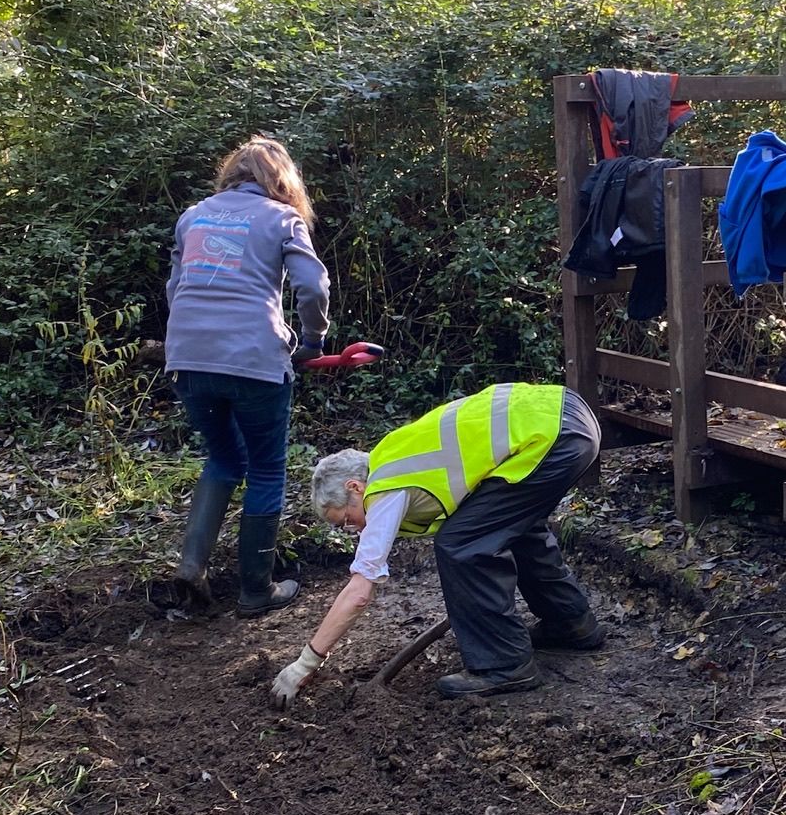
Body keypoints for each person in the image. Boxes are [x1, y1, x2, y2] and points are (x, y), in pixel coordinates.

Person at [269, 382, 603, 705]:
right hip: (568, 416)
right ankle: (570, 623)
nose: (351, 529)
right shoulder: (397, 453)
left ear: (355, 487)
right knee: (509, 527)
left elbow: (359, 593)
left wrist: (305, 663)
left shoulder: (384, 487)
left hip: (551, 437)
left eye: (344, 519)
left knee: (462, 543)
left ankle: (505, 666)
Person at [165, 135, 331, 615]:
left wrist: (198, 340)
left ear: (231, 175)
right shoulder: (283, 218)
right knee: (265, 467)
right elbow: (312, 286)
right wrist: (313, 339)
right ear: (282, 180)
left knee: (222, 458)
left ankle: (191, 567)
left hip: (187, 359)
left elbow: (176, 288)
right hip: (254, 359)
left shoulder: (194, 216)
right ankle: (256, 591)